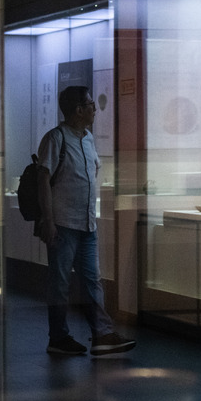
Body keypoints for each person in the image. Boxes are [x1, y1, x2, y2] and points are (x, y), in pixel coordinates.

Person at [36, 86, 136, 356]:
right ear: (79, 110)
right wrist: (48, 221)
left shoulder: (88, 138)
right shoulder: (55, 138)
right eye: (91, 104)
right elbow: (43, 179)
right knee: (60, 283)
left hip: (87, 224)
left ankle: (102, 334)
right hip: (63, 223)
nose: (95, 109)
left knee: (92, 280)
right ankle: (58, 338)